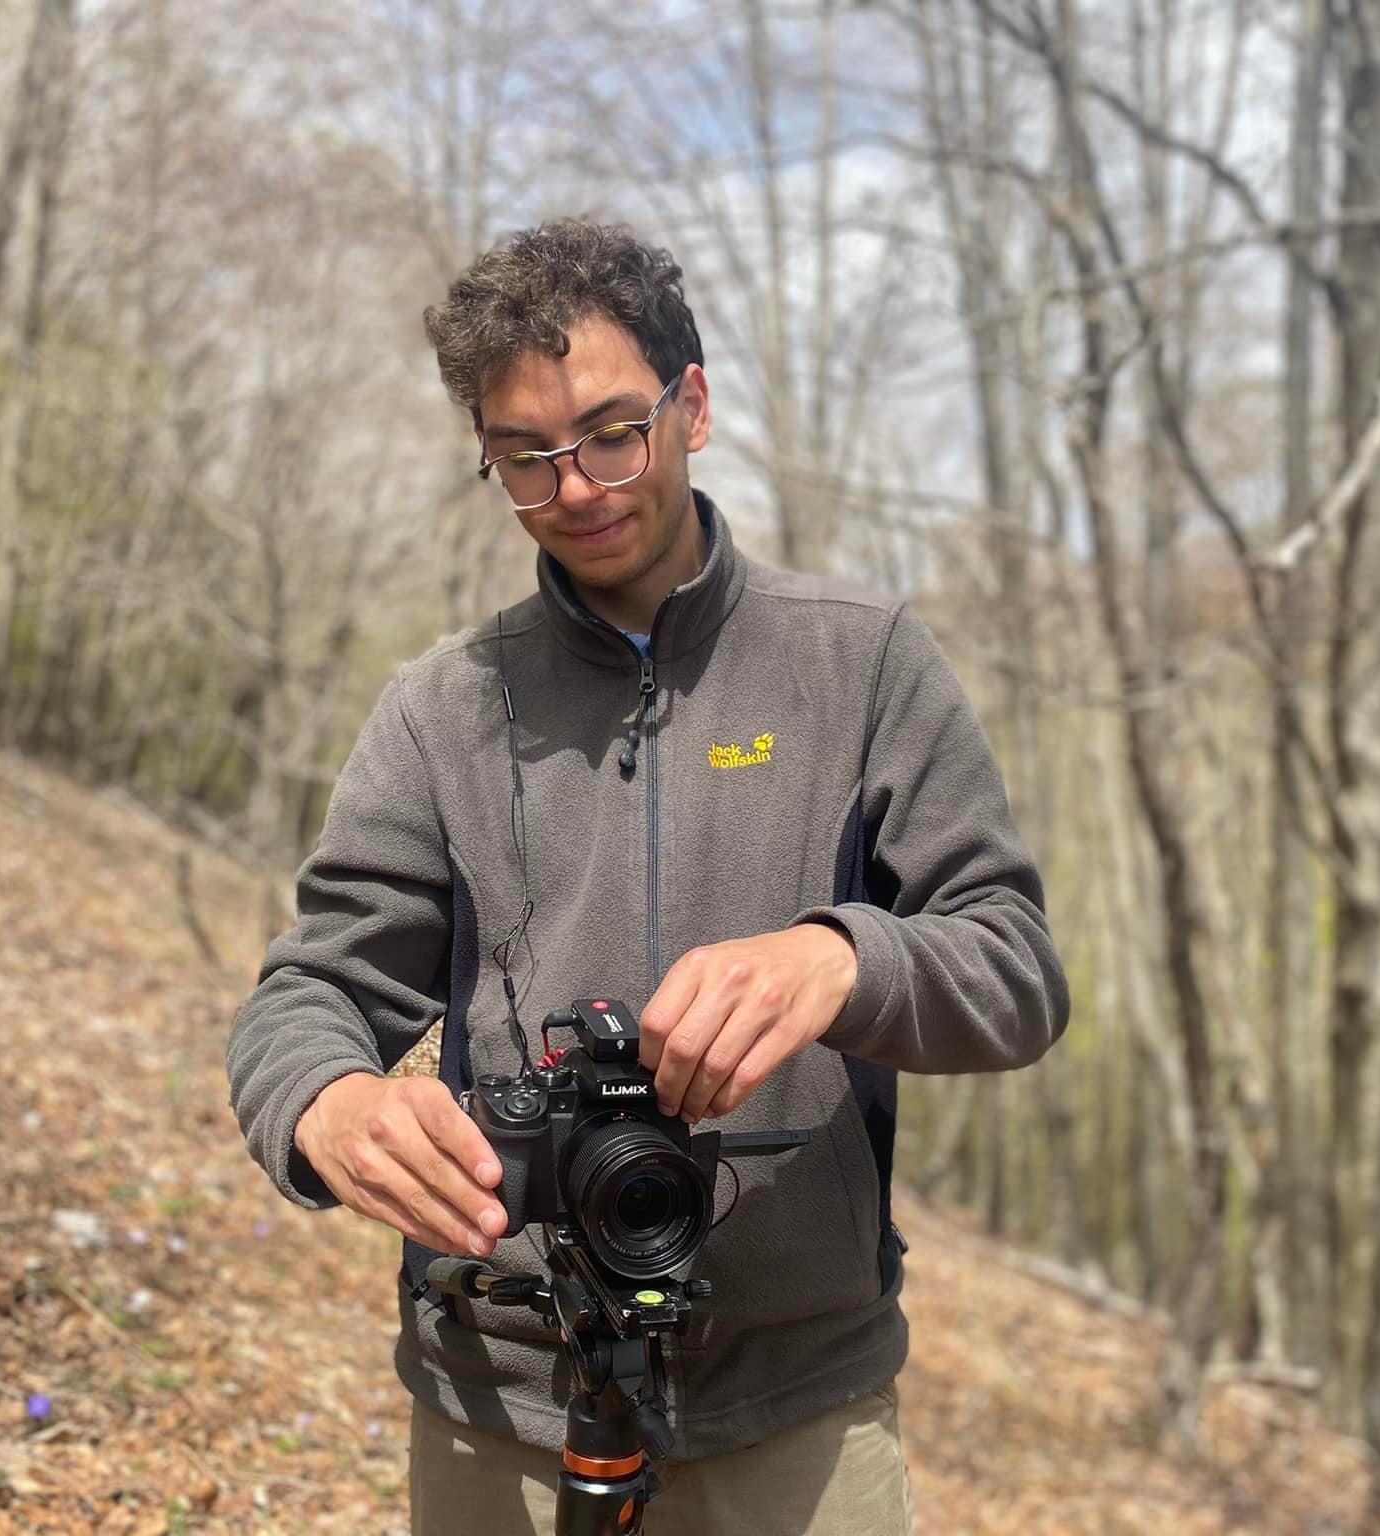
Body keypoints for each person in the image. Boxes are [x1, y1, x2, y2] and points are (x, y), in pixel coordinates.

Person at [226, 219, 1070, 1535]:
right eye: (524, 457)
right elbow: (309, 994)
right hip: (503, 1402)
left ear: (694, 406)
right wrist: (326, 1108)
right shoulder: (444, 708)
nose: (578, 486)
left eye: (614, 431)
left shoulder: (862, 664)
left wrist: (843, 961)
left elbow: (1015, 972)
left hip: (800, 1408)